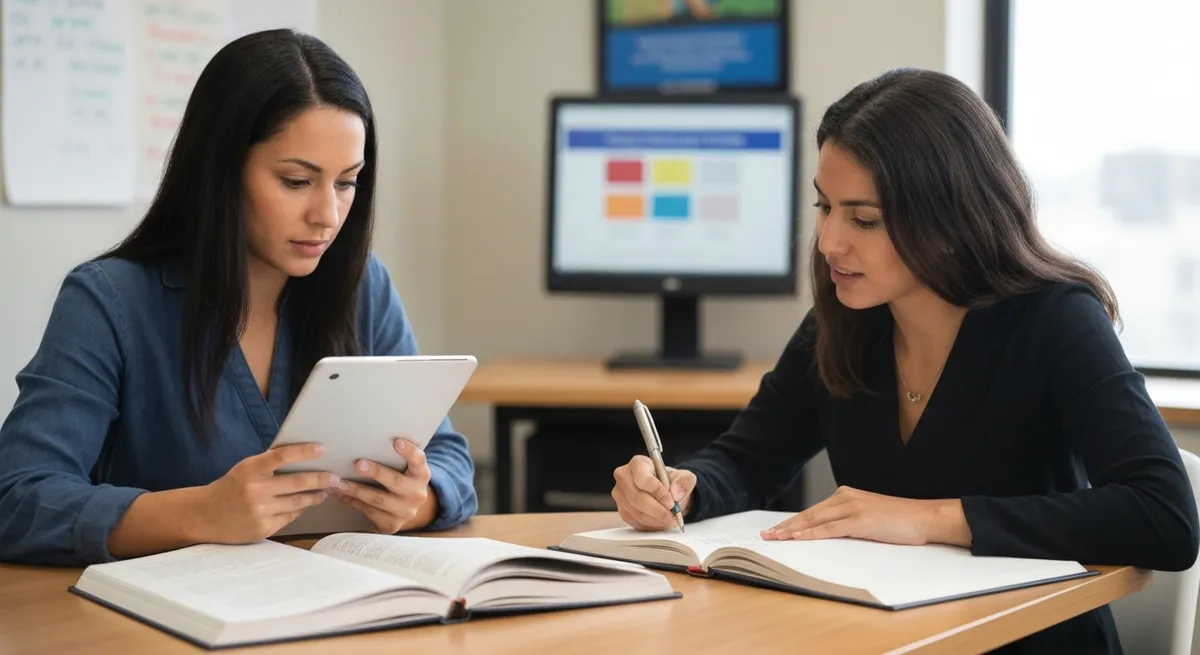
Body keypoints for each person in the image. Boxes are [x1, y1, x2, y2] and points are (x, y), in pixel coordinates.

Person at [610, 67, 1199, 654]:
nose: (829, 242)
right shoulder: (844, 320)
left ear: (950, 220)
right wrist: (682, 489)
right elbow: (746, 459)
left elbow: (1165, 516)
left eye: (863, 220)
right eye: (824, 207)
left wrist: (929, 520)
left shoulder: (1055, 319)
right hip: (888, 641)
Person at [0, 29, 477, 566]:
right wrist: (199, 513)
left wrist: (419, 501)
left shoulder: (364, 288)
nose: (328, 215)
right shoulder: (110, 301)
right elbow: (18, 497)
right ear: (221, 171)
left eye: (347, 182)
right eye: (297, 181)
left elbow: (448, 457)